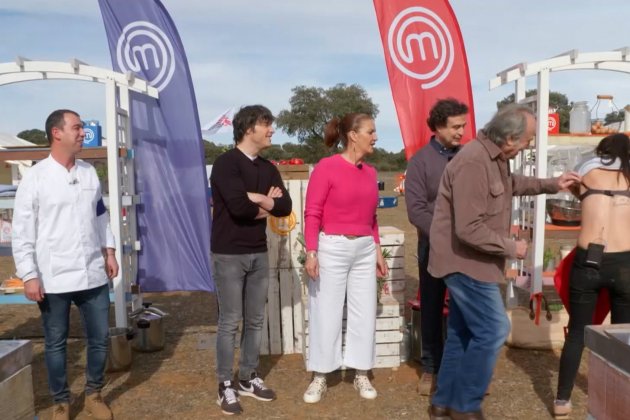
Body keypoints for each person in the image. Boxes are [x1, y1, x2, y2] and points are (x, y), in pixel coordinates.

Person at [426, 105, 580, 420]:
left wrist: (554, 184)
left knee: (461, 332)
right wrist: (512, 247)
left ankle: (443, 403)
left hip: (472, 262)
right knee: (495, 329)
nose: (528, 145)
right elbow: (467, 229)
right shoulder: (473, 162)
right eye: (527, 140)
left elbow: (513, 185)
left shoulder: (493, 159)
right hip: (466, 264)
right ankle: (465, 405)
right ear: (510, 138)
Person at [12, 109, 119, 420]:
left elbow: (101, 215)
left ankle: (94, 394)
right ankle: (61, 401)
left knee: (99, 338)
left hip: (92, 273)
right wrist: (29, 275)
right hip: (54, 276)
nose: (83, 132)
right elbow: (22, 232)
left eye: (83, 127)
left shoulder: (88, 173)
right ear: (56, 133)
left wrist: (109, 251)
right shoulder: (35, 178)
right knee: (55, 342)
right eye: (77, 127)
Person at [210, 105, 292, 415]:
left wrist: (259, 199)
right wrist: (265, 203)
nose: (271, 130)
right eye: (266, 125)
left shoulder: (268, 167)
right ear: (248, 129)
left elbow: (286, 207)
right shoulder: (226, 164)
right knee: (229, 322)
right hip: (229, 253)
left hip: (258, 251)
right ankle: (224, 385)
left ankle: (247, 377)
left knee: (255, 320)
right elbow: (238, 208)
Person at [302, 113, 389, 404]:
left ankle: (361, 371)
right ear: (353, 135)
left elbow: (372, 218)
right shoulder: (326, 168)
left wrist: (376, 249)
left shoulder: (372, 172)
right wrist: (311, 252)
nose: (375, 136)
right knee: (325, 311)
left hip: (364, 248)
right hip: (332, 248)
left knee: (364, 312)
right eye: (371, 131)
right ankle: (320, 376)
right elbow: (312, 213)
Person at [554, 133, 630, 418]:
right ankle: (624, 401)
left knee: (576, 333)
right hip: (625, 263)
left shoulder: (587, 174)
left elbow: (575, 191)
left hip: (589, 261)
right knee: (624, 337)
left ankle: (561, 400)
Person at [405, 98, 469, 395]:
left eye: (464, 126)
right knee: (431, 308)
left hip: (468, 251)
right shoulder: (419, 162)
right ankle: (431, 368)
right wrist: (446, 236)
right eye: (456, 126)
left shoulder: (469, 157)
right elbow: (416, 210)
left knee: (463, 310)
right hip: (432, 249)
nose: (461, 132)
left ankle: (458, 370)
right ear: (440, 126)